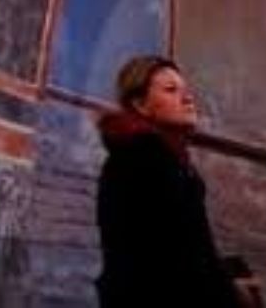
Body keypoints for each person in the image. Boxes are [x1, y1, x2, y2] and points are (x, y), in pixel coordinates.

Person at [95, 56, 244, 307]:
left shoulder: (167, 160)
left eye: (186, 90)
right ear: (141, 104)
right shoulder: (143, 160)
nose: (187, 98)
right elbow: (177, 259)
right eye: (171, 90)